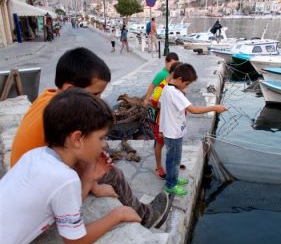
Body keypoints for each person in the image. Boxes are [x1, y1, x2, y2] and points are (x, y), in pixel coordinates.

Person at [10, 47, 171, 227]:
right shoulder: (67, 116)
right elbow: (79, 157)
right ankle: (146, 217)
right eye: (95, 94)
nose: (99, 100)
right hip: (37, 191)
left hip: (23, 174)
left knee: (102, 153)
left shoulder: (49, 97)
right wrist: (94, 184)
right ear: (70, 89)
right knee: (113, 173)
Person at [0, 89, 144, 244]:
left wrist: (89, 177)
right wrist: (118, 214)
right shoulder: (65, 178)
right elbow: (76, 240)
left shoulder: (35, 155)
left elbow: (66, 207)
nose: (104, 144)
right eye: (101, 138)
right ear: (77, 139)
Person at [159, 63, 227, 196]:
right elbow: (193, 109)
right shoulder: (175, 93)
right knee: (173, 159)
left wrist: (161, 129)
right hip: (173, 133)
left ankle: (174, 178)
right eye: (186, 84)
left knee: (175, 158)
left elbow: (164, 108)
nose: (187, 86)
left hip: (172, 131)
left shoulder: (168, 88)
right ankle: (170, 185)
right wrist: (214, 108)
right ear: (179, 79)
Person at [143, 52, 179, 178]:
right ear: (166, 62)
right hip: (160, 113)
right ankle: (159, 166)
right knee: (159, 141)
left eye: (176, 65)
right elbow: (152, 88)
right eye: (172, 64)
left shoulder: (173, 76)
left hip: (168, 114)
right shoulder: (162, 75)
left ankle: (169, 166)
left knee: (165, 141)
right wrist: (146, 99)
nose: (173, 67)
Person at [149, 61, 182, 179]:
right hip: (162, 121)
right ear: (173, 72)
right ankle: (159, 167)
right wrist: (162, 106)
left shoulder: (176, 84)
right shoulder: (163, 85)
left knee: (171, 147)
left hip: (173, 122)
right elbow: (153, 101)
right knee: (160, 143)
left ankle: (172, 171)